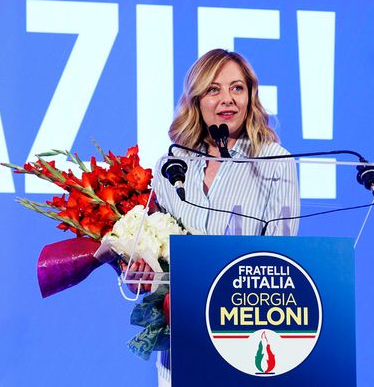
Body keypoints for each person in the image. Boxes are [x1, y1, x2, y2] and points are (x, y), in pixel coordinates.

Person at [127, 49, 300, 387]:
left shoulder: (273, 160)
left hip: (245, 342)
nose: (228, 99)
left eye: (237, 88)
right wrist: (141, 272)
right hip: (181, 347)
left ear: (251, 96)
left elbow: (284, 261)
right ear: (196, 100)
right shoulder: (173, 163)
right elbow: (160, 253)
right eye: (214, 89)